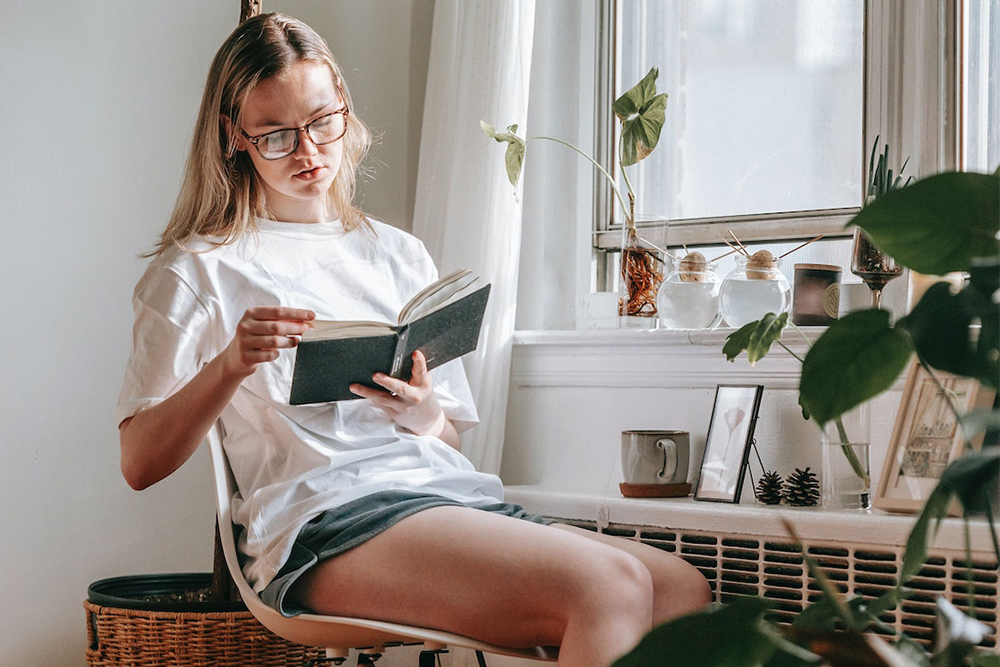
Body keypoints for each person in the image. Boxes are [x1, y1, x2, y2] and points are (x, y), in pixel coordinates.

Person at [116, 13, 711, 667]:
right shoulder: (199, 268)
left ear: (344, 104)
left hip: (440, 494)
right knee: (608, 584)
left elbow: (450, 436)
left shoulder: (396, 254)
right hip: (326, 523)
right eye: (278, 136)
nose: (309, 152)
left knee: (681, 589)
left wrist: (426, 414)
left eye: (322, 122)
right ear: (233, 135)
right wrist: (230, 364)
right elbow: (140, 463)